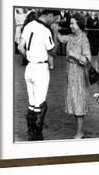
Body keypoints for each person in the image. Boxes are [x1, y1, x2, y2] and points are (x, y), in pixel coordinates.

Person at [18, 9, 61, 140]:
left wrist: (30, 58)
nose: (54, 21)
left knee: (32, 103)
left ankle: (31, 132)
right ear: (49, 15)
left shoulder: (28, 25)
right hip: (40, 68)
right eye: (54, 18)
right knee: (40, 104)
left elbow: (20, 47)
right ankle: (37, 135)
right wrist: (55, 32)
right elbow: (53, 51)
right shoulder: (45, 30)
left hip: (29, 67)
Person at [54, 12, 91, 139]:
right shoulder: (72, 37)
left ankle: (80, 133)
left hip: (79, 75)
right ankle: (80, 131)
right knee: (75, 103)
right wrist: (54, 29)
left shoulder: (84, 39)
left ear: (79, 24)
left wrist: (73, 55)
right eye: (70, 23)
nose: (70, 26)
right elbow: (60, 38)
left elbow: (87, 60)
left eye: (73, 23)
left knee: (79, 103)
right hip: (71, 73)